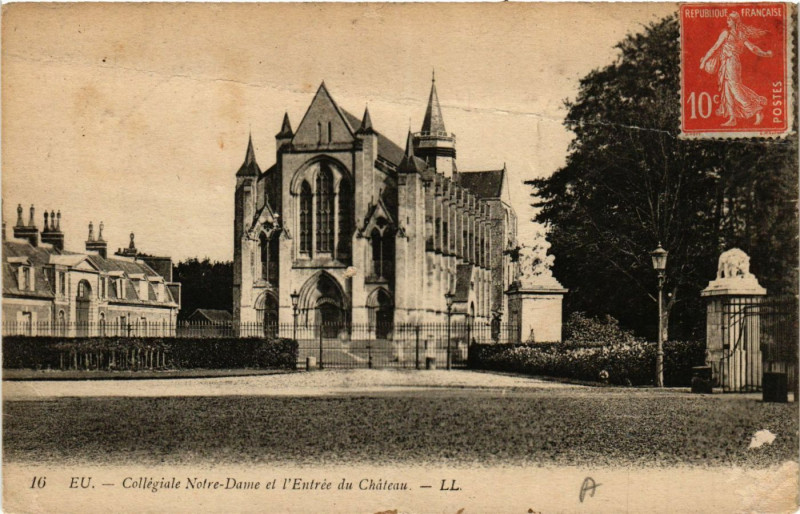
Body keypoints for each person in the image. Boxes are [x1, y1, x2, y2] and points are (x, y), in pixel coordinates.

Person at [700, 12, 773, 126]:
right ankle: (732, 118)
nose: (727, 21)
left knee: (734, 88)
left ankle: (756, 109)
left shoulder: (728, 33)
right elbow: (752, 48)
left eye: (729, 19)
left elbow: (715, 47)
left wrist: (704, 60)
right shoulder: (739, 34)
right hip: (727, 63)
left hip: (731, 62)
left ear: (734, 21)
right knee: (727, 89)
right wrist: (765, 53)